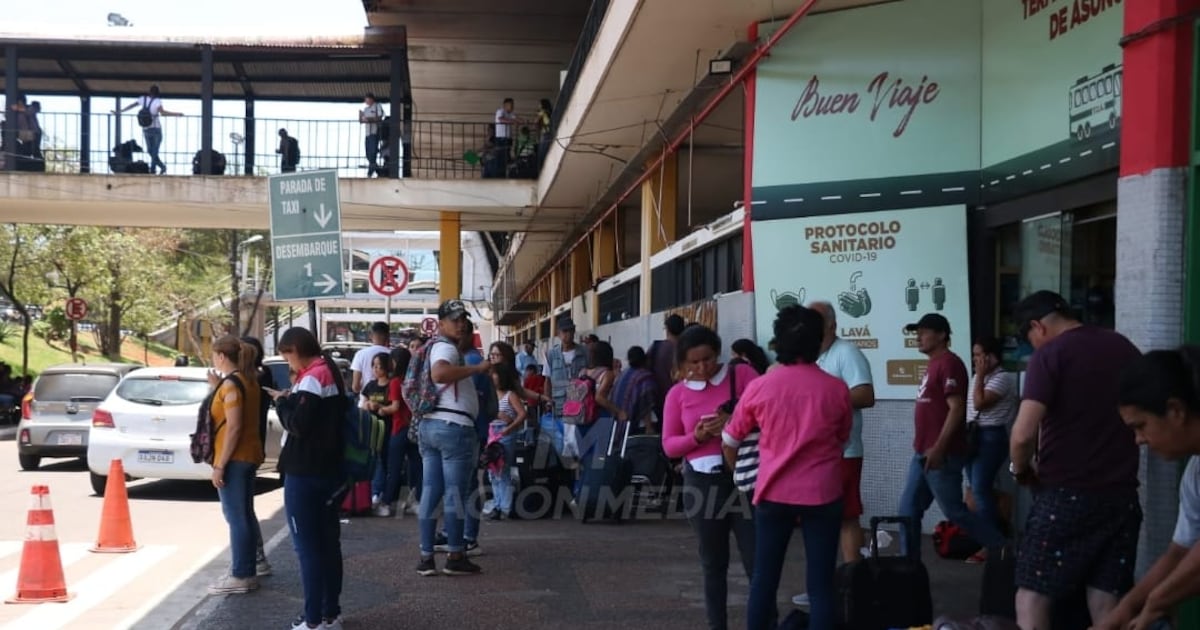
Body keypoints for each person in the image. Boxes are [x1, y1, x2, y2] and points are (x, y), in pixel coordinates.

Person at [1009, 291, 1142, 629]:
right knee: (1105, 595)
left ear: (1037, 327)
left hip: (1066, 495)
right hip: (1122, 496)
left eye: (1029, 339)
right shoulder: (1123, 347)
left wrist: (1020, 469)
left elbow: (1023, 434)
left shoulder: (1051, 355)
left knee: (1032, 595)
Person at [723, 305, 850, 630]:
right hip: (823, 493)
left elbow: (731, 438)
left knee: (764, 579)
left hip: (772, 492)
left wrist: (743, 477)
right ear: (819, 341)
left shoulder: (761, 386)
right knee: (820, 585)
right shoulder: (836, 389)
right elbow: (842, 439)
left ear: (778, 342)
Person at [661, 325, 760, 630]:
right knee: (713, 563)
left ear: (718, 353)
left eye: (708, 359)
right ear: (683, 364)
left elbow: (768, 414)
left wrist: (735, 423)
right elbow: (669, 445)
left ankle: (765, 622)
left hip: (744, 479)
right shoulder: (677, 394)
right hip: (702, 484)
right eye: (694, 362)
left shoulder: (741, 376)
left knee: (757, 561)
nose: (703, 367)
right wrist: (698, 436)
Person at [1095, 347, 1200, 630]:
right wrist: (1122, 613)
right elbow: (1180, 552)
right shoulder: (1195, 473)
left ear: (1176, 410)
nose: (1138, 440)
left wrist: (1156, 602)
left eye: (1140, 426)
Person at [897, 313, 1007, 560]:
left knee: (955, 511)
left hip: (941, 454)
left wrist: (939, 448)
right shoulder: (933, 364)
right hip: (922, 451)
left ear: (942, 335)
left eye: (924, 332)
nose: (919, 338)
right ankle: (908, 565)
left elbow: (957, 409)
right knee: (908, 510)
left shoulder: (949, 363)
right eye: (917, 333)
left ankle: (1002, 548)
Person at [269, 327, 344, 630]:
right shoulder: (330, 371)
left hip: (305, 471)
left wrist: (283, 403)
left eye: (287, 354)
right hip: (330, 470)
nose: (288, 362)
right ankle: (330, 612)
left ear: (296, 349)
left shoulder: (312, 376)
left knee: (308, 548)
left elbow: (299, 424)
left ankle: (313, 620)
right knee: (328, 544)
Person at [416, 300, 490, 577]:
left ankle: (426, 557)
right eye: (455, 319)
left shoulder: (435, 346)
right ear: (442, 322)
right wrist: (477, 369)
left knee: (431, 493)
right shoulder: (445, 347)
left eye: (463, 319)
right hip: (453, 427)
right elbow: (440, 373)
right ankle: (455, 554)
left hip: (431, 425)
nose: (460, 323)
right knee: (455, 495)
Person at [206, 335, 266, 595]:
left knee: (236, 517)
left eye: (214, 354)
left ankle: (241, 573)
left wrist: (220, 464)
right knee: (245, 514)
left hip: (234, 458)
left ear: (221, 356)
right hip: (249, 454)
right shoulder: (247, 380)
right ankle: (251, 566)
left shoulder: (232, 384)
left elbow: (234, 426)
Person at [963, 334, 1018, 563]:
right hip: (972, 435)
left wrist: (981, 377)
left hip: (990, 437)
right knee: (977, 490)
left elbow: (980, 402)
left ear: (992, 356)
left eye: (980, 355)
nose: (976, 360)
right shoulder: (979, 377)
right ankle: (992, 532)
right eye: (974, 355)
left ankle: (992, 544)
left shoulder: (1002, 378)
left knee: (980, 490)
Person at [240, 335, 274, 573]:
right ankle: (255, 558)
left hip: (244, 450)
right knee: (243, 507)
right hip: (252, 446)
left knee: (240, 510)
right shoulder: (252, 378)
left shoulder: (249, 380)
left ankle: (249, 563)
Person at [486, 363, 527, 520]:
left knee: (502, 470)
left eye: (494, 374)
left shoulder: (510, 395)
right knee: (492, 471)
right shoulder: (491, 395)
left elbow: (522, 414)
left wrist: (510, 427)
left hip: (504, 433)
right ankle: (498, 504)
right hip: (492, 432)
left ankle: (505, 507)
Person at [384, 347, 421, 515]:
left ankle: (386, 502)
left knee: (394, 467)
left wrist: (380, 408)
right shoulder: (414, 380)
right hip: (414, 428)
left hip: (398, 428)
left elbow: (395, 406)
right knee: (417, 466)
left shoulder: (395, 382)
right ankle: (416, 499)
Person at [115, 85, 182, 175]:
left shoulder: (143, 99)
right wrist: (177, 114)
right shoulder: (157, 101)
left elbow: (132, 105)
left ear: (149, 92)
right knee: (154, 151)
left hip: (146, 129)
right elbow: (163, 113)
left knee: (150, 151)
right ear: (157, 93)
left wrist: (120, 111)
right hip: (156, 129)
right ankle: (159, 168)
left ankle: (155, 168)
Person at [362, 352, 397, 516]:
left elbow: (394, 407)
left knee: (384, 461)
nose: (376, 369)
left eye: (379, 366)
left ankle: (380, 493)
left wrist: (381, 409)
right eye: (373, 366)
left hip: (388, 428)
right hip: (371, 429)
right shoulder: (370, 386)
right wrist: (368, 405)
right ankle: (374, 493)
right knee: (374, 460)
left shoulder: (392, 385)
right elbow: (362, 405)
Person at [543, 318, 589, 418]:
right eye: (564, 331)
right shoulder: (551, 355)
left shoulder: (584, 352)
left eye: (571, 331)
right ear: (558, 334)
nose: (568, 334)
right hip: (559, 405)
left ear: (574, 332)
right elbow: (547, 380)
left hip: (579, 404)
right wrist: (548, 401)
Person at [610, 345, 659, 435]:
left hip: (617, 424)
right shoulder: (645, 377)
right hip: (634, 423)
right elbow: (646, 404)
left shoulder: (624, 374)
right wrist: (649, 428)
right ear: (645, 359)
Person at [649, 314, 686, 422]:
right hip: (682, 400)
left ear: (667, 329)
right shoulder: (686, 350)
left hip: (659, 400)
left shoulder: (656, 347)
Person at [350, 321, 391, 397]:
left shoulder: (360, 354)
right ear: (388, 336)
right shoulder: (393, 354)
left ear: (371, 335)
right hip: (387, 403)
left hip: (365, 402)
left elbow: (355, 387)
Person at [359, 93, 385, 177]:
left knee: (373, 152)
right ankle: (377, 170)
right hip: (367, 133)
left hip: (374, 132)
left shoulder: (377, 106)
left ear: (371, 99)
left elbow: (379, 117)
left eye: (367, 99)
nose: (366, 101)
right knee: (368, 153)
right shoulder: (366, 109)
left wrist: (369, 119)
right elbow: (362, 121)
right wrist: (361, 116)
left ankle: (371, 171)